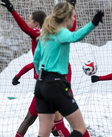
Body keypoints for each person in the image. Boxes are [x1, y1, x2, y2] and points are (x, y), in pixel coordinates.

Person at [1, 0, 77, 136]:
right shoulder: (55, 34)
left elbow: (25, 28)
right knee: (54, 122)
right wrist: (71, 10)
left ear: (36, 23)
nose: (28, 22)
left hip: (47, 84)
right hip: (59, 79)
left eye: (30, 20)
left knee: (29, 119)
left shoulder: (40, 34)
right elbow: (71, 30)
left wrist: (12, 11)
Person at [33, 2, 104, 137]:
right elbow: (76, 36)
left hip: (41, 84)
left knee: (43, 133)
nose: (74, 19)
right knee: (80, 128)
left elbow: (36, 59)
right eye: (74, 16)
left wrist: (42, 77)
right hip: (55, 84)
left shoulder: (46, 34)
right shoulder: (62, 33)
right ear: (67, 18)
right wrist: (93, 23)